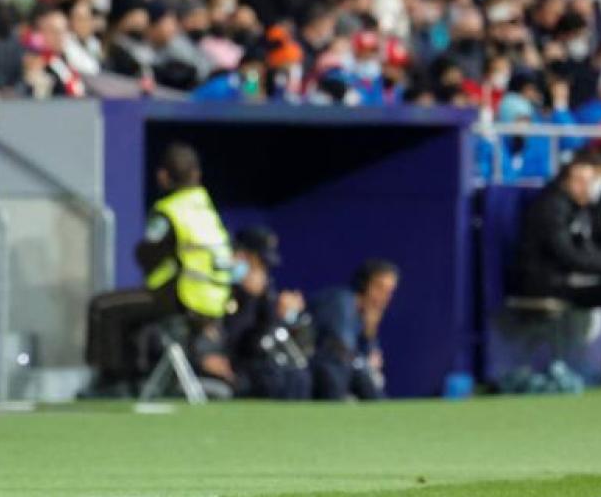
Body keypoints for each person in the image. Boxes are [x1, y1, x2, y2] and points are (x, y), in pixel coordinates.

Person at [84, 143, 233, 393]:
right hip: (213, 299)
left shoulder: (170, 210)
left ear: (164, 175)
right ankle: (135, 374)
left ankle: (111, 383)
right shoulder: (204, 207)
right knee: (130, 311)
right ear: (196, 175)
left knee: (103, 307)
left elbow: (148, 254)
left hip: (184, 295)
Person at [207, 227, 311, 399]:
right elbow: (230, 336)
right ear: (240, 256)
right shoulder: (220, 286)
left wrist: (281, 313)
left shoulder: (263, 291)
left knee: (298, 377)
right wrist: (248, 297)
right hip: (230, 360)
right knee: (267, 378)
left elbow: (265, 333)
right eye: (257, 262)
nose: (261, 270)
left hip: (254, 360)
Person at [514, 151, 601, 307]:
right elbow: (567, 255)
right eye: (594, 179)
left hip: (573, 279)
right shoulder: (552, 205)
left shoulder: (585, 207)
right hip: (548, 283)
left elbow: (595, 244)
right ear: (577, 176)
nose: (596, 186)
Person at [309, 259, 400, 401]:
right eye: (379, 287)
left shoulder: (366, 316)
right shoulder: (342, 302)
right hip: (317, 366)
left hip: (339, 369)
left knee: (367, 379)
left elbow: (369, 357)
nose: (384, 297)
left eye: (389, 291)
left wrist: (369, 333)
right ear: (364, 283)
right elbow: (339, 350)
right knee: (339, 370)